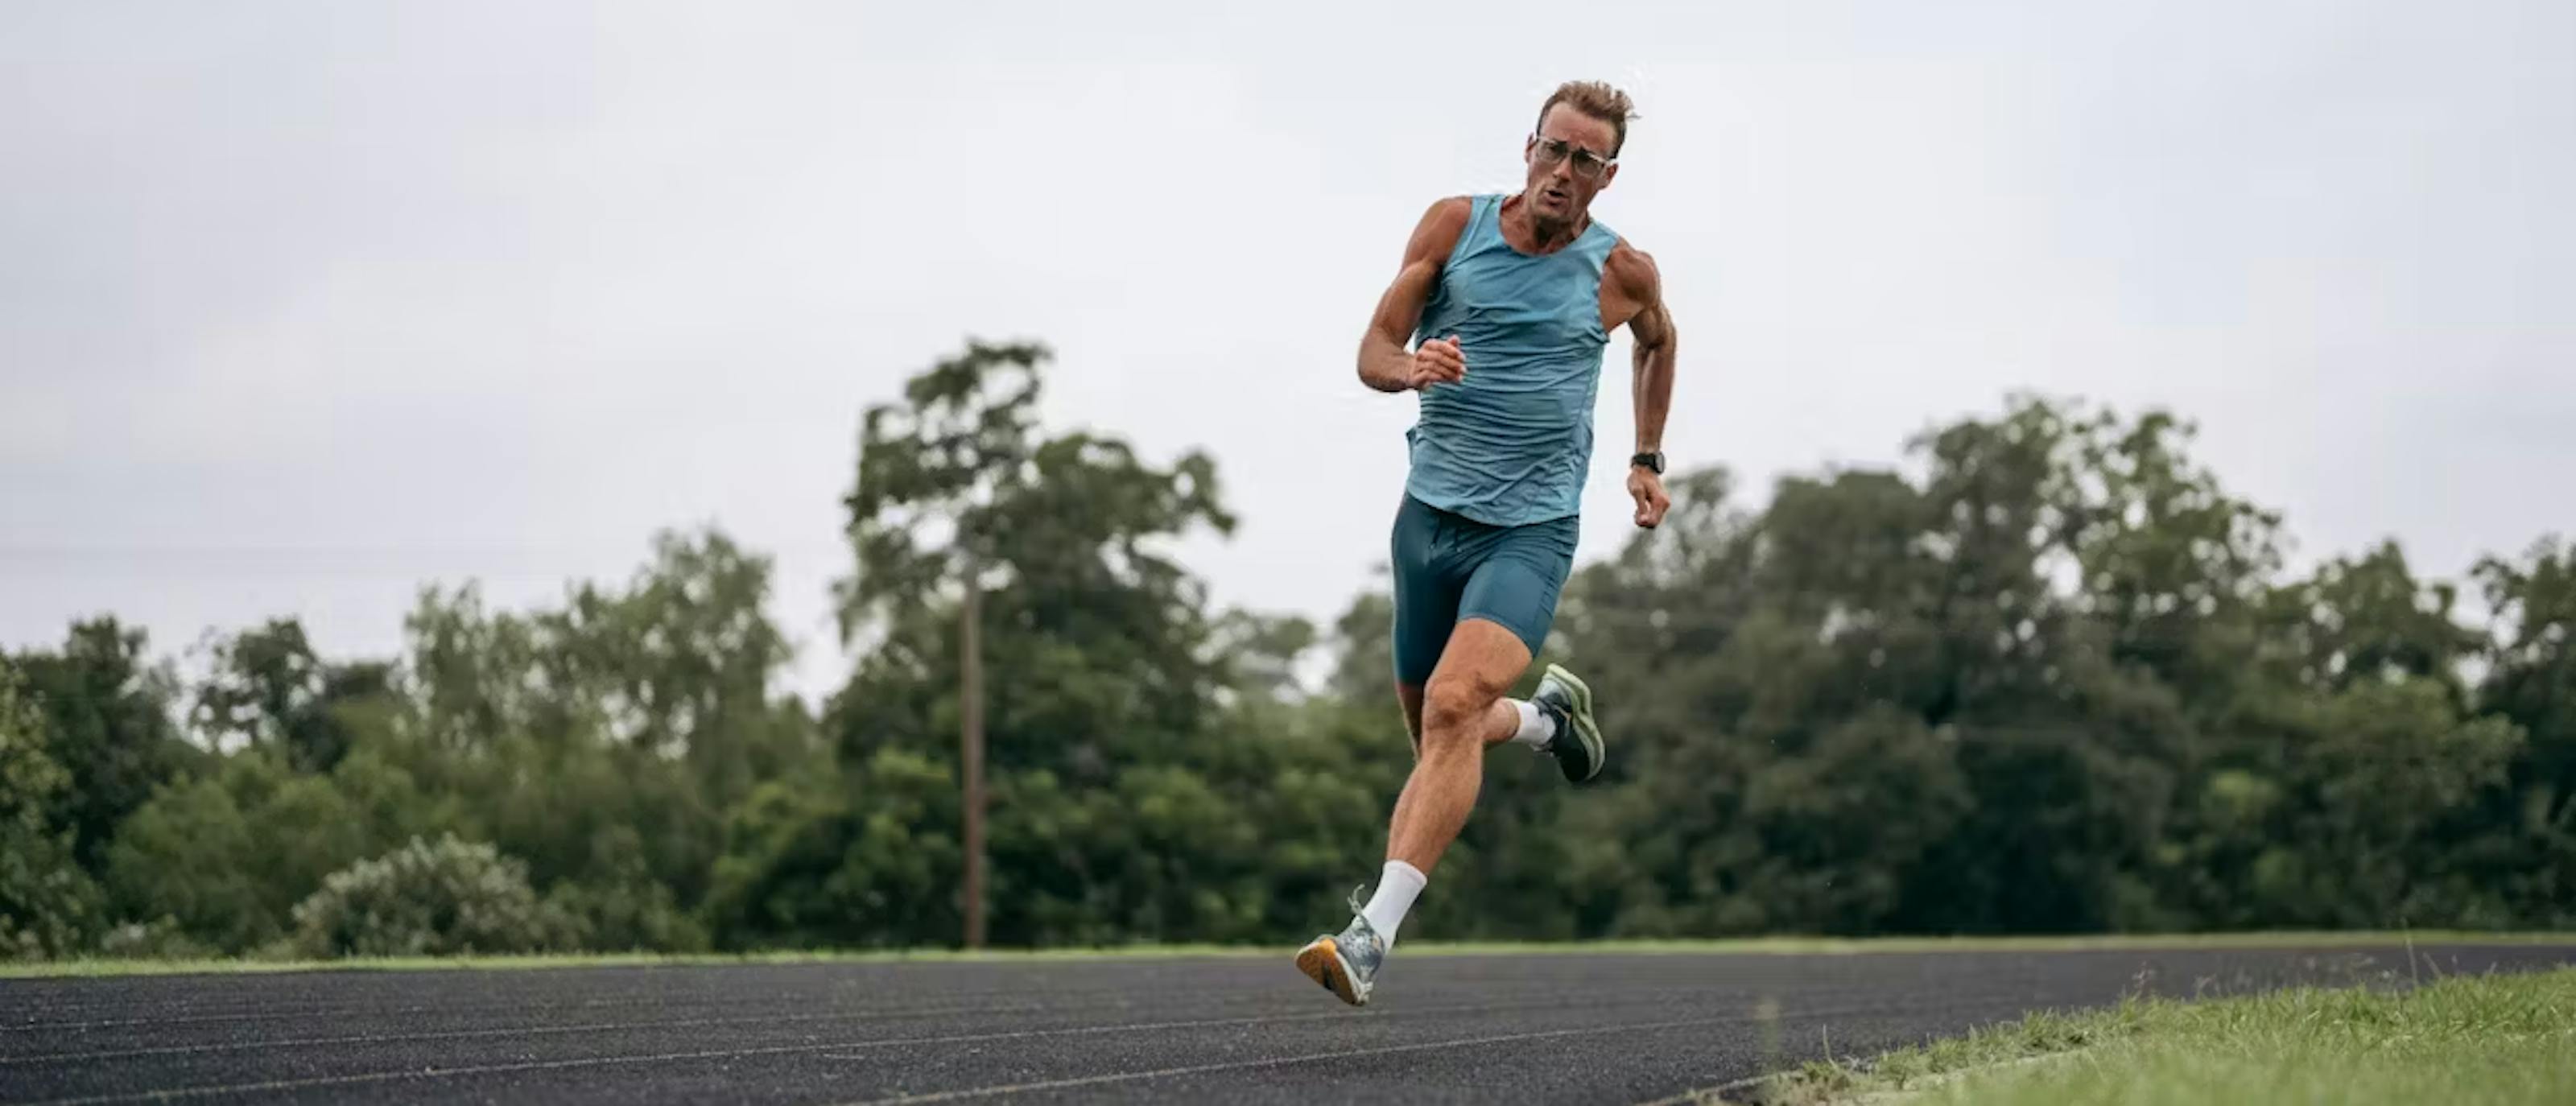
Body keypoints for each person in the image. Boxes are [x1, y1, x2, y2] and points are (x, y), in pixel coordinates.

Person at [1295, 80, 1678, 1006]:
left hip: (1530, 530)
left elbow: (1657, 343)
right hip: (1427, 522)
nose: (1563, 171)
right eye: (1552, 150)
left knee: (1455, 701)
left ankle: (1368, 936)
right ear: (1528, 148)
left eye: (1585, 160)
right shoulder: (1449, 228)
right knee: (1438, 725)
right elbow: (1374, 346)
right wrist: (1409, 367)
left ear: (1607, 175)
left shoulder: (1620, 272)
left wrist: (1643, 456)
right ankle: (1545, 721)